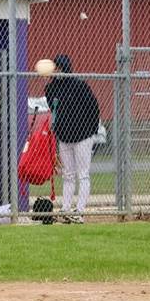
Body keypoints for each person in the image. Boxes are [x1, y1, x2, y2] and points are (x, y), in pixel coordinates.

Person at [44, 54, 100, 224]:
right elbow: (53, 107)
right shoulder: (51, 88)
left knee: (83, 174)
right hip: (64, 136)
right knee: (68, 174)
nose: (57, 71)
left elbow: (94, 108)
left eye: (59, 68)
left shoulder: (79, 85)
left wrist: (91, 131)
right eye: (55, 68)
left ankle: (80, 211)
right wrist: (49, 81)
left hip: (83, 136)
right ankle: (66, 209)